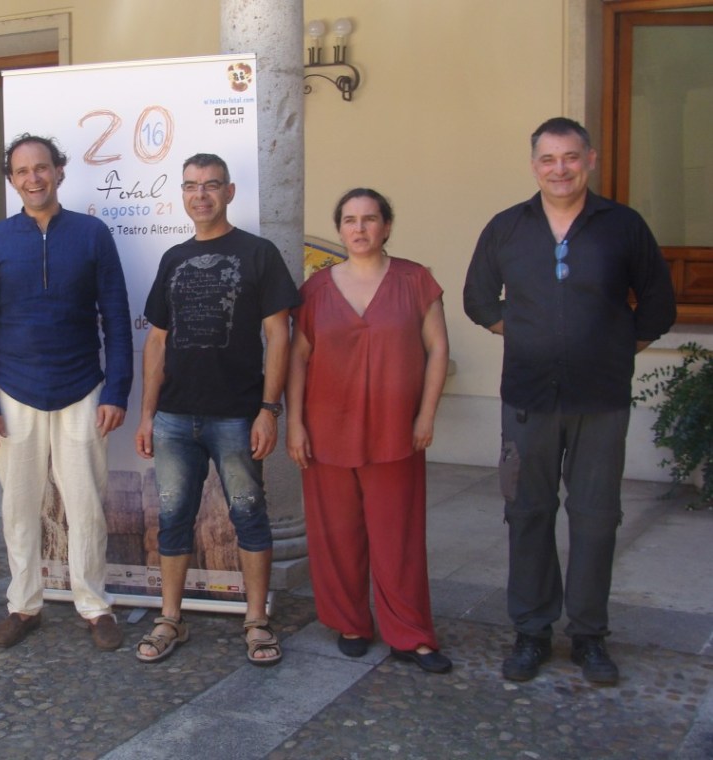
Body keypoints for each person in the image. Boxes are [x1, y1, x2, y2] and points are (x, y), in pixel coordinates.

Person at [464, 117, 676, 685]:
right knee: (527, 514)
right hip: (527, 400)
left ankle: (589, 635)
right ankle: (531, 632)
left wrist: (610, 344)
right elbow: (479, 298)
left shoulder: (622, 226)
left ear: (591, 160)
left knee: (596, 519)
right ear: (534, 164)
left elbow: (657, 304)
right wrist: (531, 335)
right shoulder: (508, 227)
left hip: (600, 399)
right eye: (548, 159)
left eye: (571, 157)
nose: (560, 169)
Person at [0, 134, 132, 651]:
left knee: (85, 506)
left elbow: (117, 319)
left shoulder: (91, 234)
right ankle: (24, 604)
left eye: (42, 168)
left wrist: (117, 391)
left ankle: (93, 604)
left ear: (60, 171)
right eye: (22, 171)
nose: (33, 178)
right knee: (19, 507)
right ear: (11, 180)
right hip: (13, 391)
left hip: (82, 387)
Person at [133, 153, 299, 666]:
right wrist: (147, 415)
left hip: (236, 414)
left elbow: (278, 334)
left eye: (210, 185)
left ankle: (256, 621)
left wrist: (270, 409)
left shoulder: (258, 253)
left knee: (249, 517)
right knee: (173, 518)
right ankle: (170, 620)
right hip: (175, 418)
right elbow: (157, 342)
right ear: (181, 195)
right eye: (190, 186)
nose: (200, 194)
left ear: (228, 192)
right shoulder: (173, 258)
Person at [286, 188, 452, 674]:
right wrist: (294, 423)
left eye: (370, 219)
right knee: (336, 533)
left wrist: (425, 414)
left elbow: (437, 349)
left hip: (394, 428)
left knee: (397, 536)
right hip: (326, 427)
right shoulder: (314, 290)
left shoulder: (415, 280)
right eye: (350, 220)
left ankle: (411, 633)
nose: (359, 229)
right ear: (339, 229)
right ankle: (351, 622)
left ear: (387, 226)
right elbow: (298, 357)